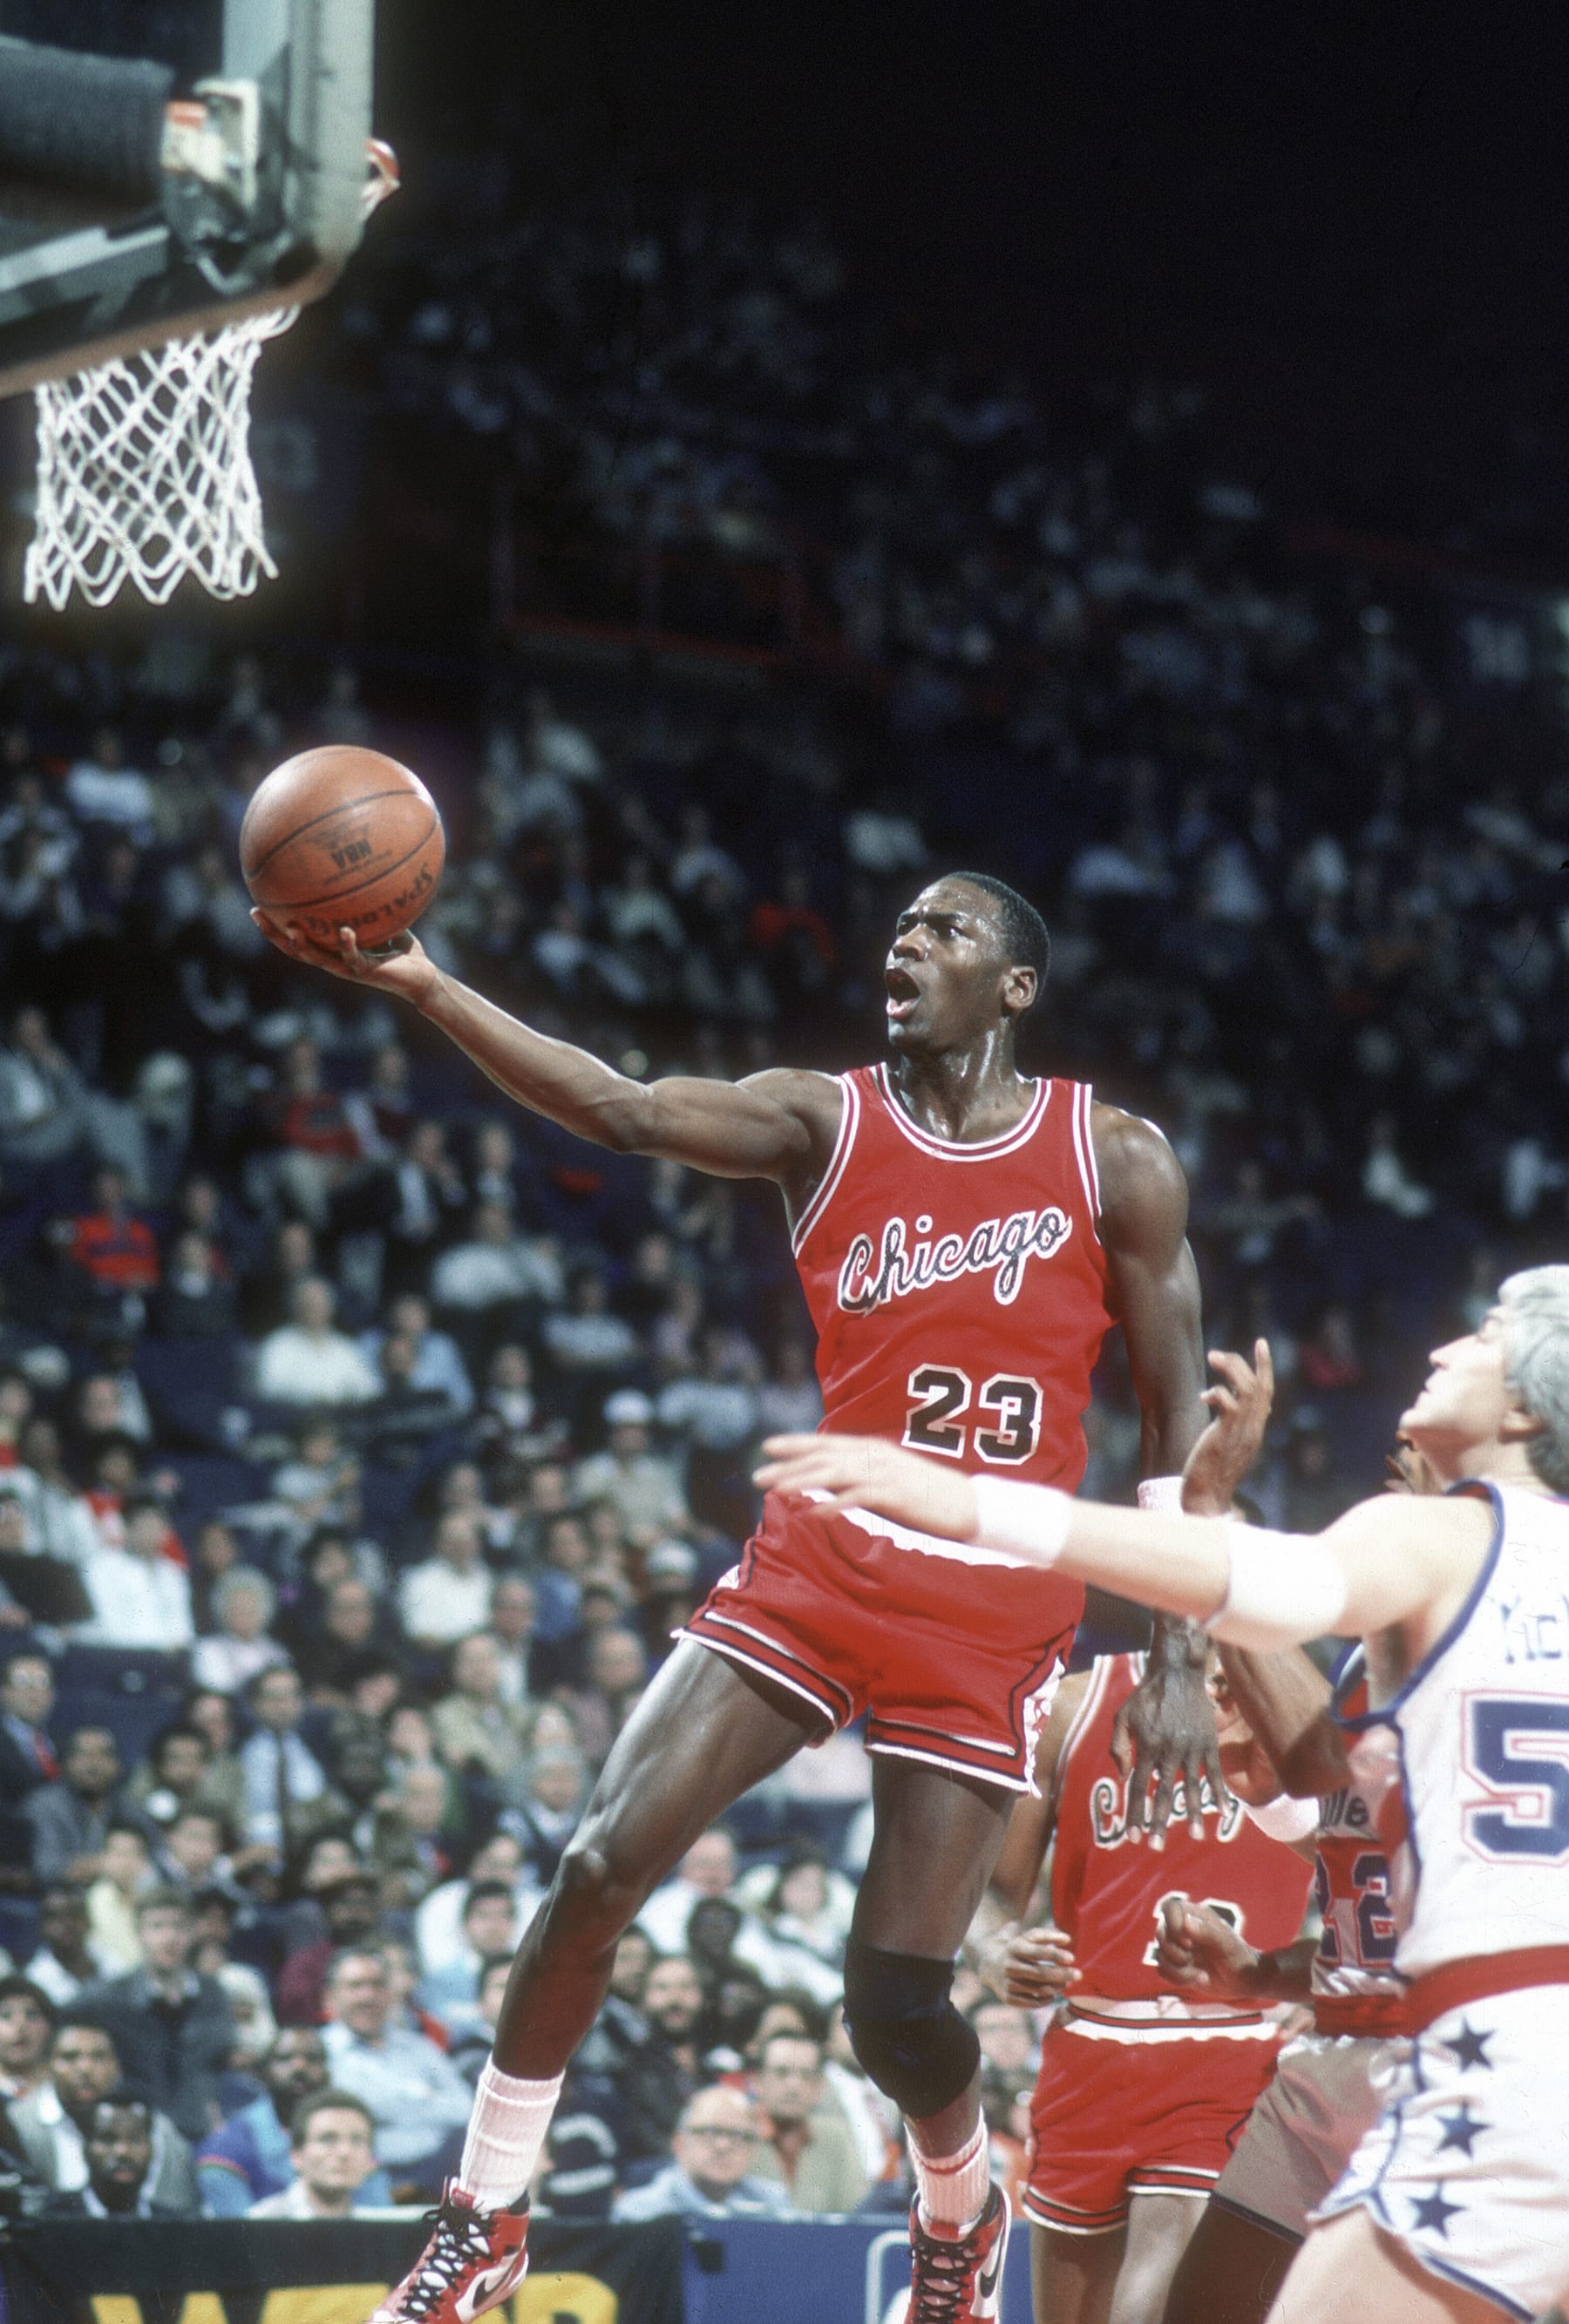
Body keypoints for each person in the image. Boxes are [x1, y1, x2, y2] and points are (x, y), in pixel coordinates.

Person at [256, 865, 1212, 2324]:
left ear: (1015, 984)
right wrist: (431, 984)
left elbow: (1171, 1421)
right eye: (895, 923)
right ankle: (485, 2218)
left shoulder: (1115, 1156)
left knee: (892, 2007)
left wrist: (1177, 1657)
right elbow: (624, 1104)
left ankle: (960, 2205)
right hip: (819, 1568)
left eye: (944, 928)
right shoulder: (820, 1119)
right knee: (594, 1867)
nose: (904, 941)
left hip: (992, 1613)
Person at [757, 1269, 1569, 2324]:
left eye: (1486, 1336)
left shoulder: (1443, 1534)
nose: (1443, 1348)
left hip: (1482, 2048)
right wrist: (1263, 1970)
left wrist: (969, 1504)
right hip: (1414, 2040)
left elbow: (1278, 1595)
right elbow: (1321, 1784)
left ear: (1522, 1407)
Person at [965, 1645, 1312, 2324]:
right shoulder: (1073, 1703)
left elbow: (1365, 1868)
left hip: (1229, 2041)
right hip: (1088, 2044)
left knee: (1165, 2287)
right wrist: (991, 1951)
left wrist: (1315, 1986)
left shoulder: (1297, 1703)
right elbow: (992, 1894)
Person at [76, 1887, 233, 2143]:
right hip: (136, 2132)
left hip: (201, 2130)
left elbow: (220, 2063)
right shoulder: (108, 1998)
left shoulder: (214, 1995)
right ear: (140, 1934)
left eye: (179, 1927)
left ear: (193, 1934)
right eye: (157, 1927)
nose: (169, 1937)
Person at [320, 1945, 476, 2186]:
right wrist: (423, 2097)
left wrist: (392, 2107)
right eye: (355, 1986)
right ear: (331, 1997)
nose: (368, 1997)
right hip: (364, 2178)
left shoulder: (420, 2047)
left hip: (437, 2172)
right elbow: (357, 2116)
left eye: (378, 1985)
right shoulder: (321, 2051)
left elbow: (465, 2108)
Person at [195, 2024, 393, 2214]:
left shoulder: (351, 2132)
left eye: (313, 2059)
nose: (299, 2067)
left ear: (328, 2073)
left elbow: (377, 2222)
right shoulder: (226, 2148)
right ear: (262, 2074)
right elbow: (241, 2237)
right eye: (284, 2058)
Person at [7, 2015, 199, 2209]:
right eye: (70, 2057)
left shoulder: (157, 2129)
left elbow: (175, 2211)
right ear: (46, 2066)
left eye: (98, 2057)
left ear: (117, 2066)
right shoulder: (15, 2125)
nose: (85, 2069)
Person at [611, 2083, 790, 2221]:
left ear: (753, 2149)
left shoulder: (774, 2207)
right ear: (679, 2144)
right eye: (709, 2132)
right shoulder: (639, 2213)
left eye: (737, 2135)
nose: (723, 2145)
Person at [748, 2028, 869, 2214]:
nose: (794, 2086)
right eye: (781, 2072)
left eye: (806, 2075)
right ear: (757, 2081)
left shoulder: (836, 2137)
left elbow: (854, 2213)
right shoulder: (738, 2132)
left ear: (819, 2087)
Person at [44, 2093, 195, 2219]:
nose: (123, 2152)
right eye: (108, 2140)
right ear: (85, 2149)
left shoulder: (171, 2225)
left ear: (153, 2149)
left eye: (135, 2140)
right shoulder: (53, 2219)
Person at [248, 2090, 379, 2219]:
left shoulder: (379, 2227)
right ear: (296, 2156)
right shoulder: (264, 2221)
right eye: (328, 2139)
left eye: (356, 2141)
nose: (344, 2152)